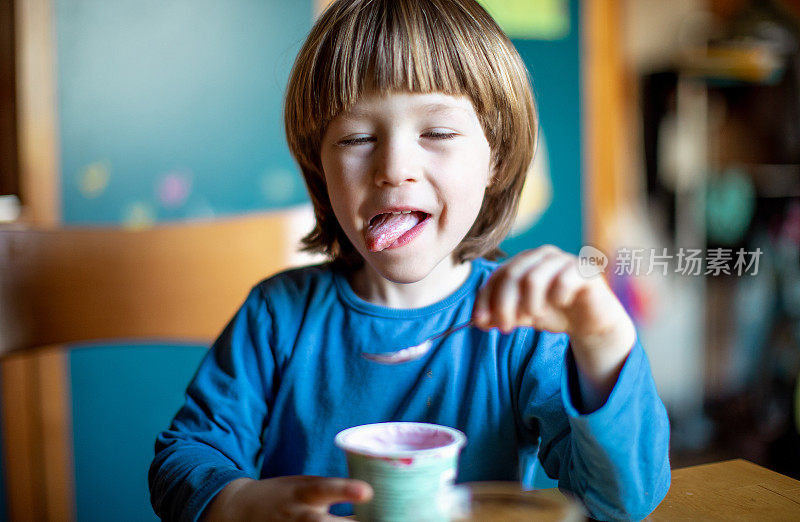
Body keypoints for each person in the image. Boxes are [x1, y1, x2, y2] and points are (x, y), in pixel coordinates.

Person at [148, 0, 670, 520]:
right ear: (319, 169)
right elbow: (184, 457)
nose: (394, 168)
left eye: (437, 133)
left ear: (497, 156)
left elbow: (620, 502)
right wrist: (237, 503)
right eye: (357, 138)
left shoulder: (525, 332)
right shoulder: (276, 315)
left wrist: (603, 341)